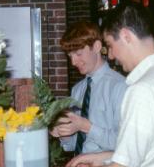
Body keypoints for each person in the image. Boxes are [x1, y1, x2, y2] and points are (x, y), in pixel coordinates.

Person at [48, 3, 154, 167]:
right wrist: (100, 158)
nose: (110, 54)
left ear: (126, 36)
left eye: (110, 45)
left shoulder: (142, 90)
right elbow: (151, 152)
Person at [50, 22, 127, 155]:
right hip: (80, 165)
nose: (73, 62)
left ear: (97, 46)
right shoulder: (77, 89)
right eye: (70, 56)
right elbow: (72, 145)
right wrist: (63, 132)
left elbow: (124, 143)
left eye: (78, 54)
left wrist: (86, 127)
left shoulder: (119, 86)